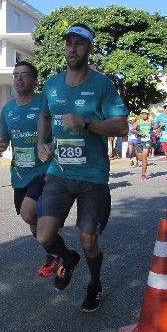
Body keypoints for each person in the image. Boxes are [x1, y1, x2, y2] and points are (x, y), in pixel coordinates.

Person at [35, 23, 129, 312]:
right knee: (45, 235)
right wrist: (42, 142)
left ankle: (95, 283)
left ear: (89, 48)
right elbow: (45, 116)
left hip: (92, 176)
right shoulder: (52, 84)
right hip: (59, 173)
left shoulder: (102, 85)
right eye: (69, 43)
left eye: (79, 43)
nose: (72, 48)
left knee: (89, 240)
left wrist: (86, 123)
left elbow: (122, 126)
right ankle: (68, 257)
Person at [0, 61, 59, 277]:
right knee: (30, 220)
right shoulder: (7, 109)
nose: (19, 79)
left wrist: (51, 144)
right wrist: (1, 144)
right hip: (20, 173)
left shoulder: (44, 102)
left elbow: (58, 128)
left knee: (28, 211)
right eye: (15, 75)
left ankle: (54, 246)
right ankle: (53, 250)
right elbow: (4, 136)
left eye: (24, 75)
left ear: (34, 79)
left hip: (43, 169)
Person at [135, 110, 153, 180]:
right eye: (142, 114)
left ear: (148, 115)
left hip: (147, 141)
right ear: (141, 115)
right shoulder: (138, 122)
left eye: (145, 114)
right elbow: (132, 130)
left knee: (144, 156)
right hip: (139, 141)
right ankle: (144, 163)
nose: (144, 115)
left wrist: (158, 130)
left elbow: (154, 128)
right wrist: (139, 133)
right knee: (140, 158)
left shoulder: (150, 121)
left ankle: (143, 174)